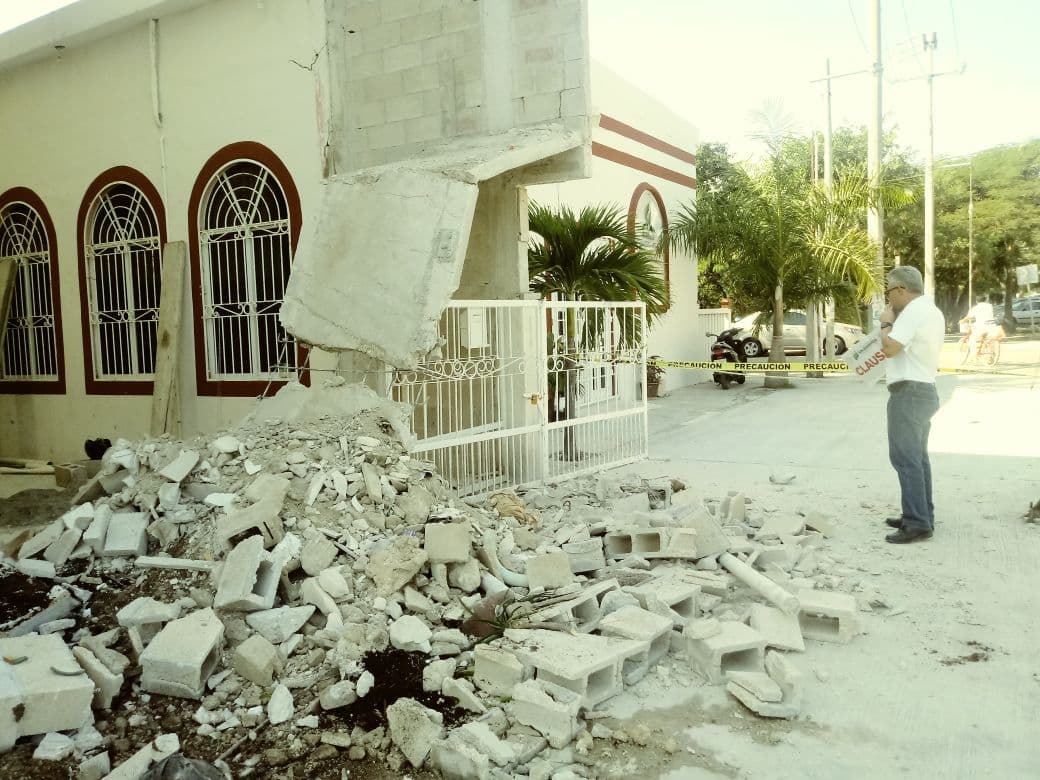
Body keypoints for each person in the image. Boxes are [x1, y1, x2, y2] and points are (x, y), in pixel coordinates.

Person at [879, 266, 946, 543]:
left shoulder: (913, 311)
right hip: (922, 390)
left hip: (909, 392)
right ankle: (919, 514)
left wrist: (885, 323)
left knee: (906, 460)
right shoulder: (929, 309)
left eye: (888, 292)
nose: (888, 299)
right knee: (917, 459)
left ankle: (917, 522)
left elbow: (890, 347)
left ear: (901, 290)